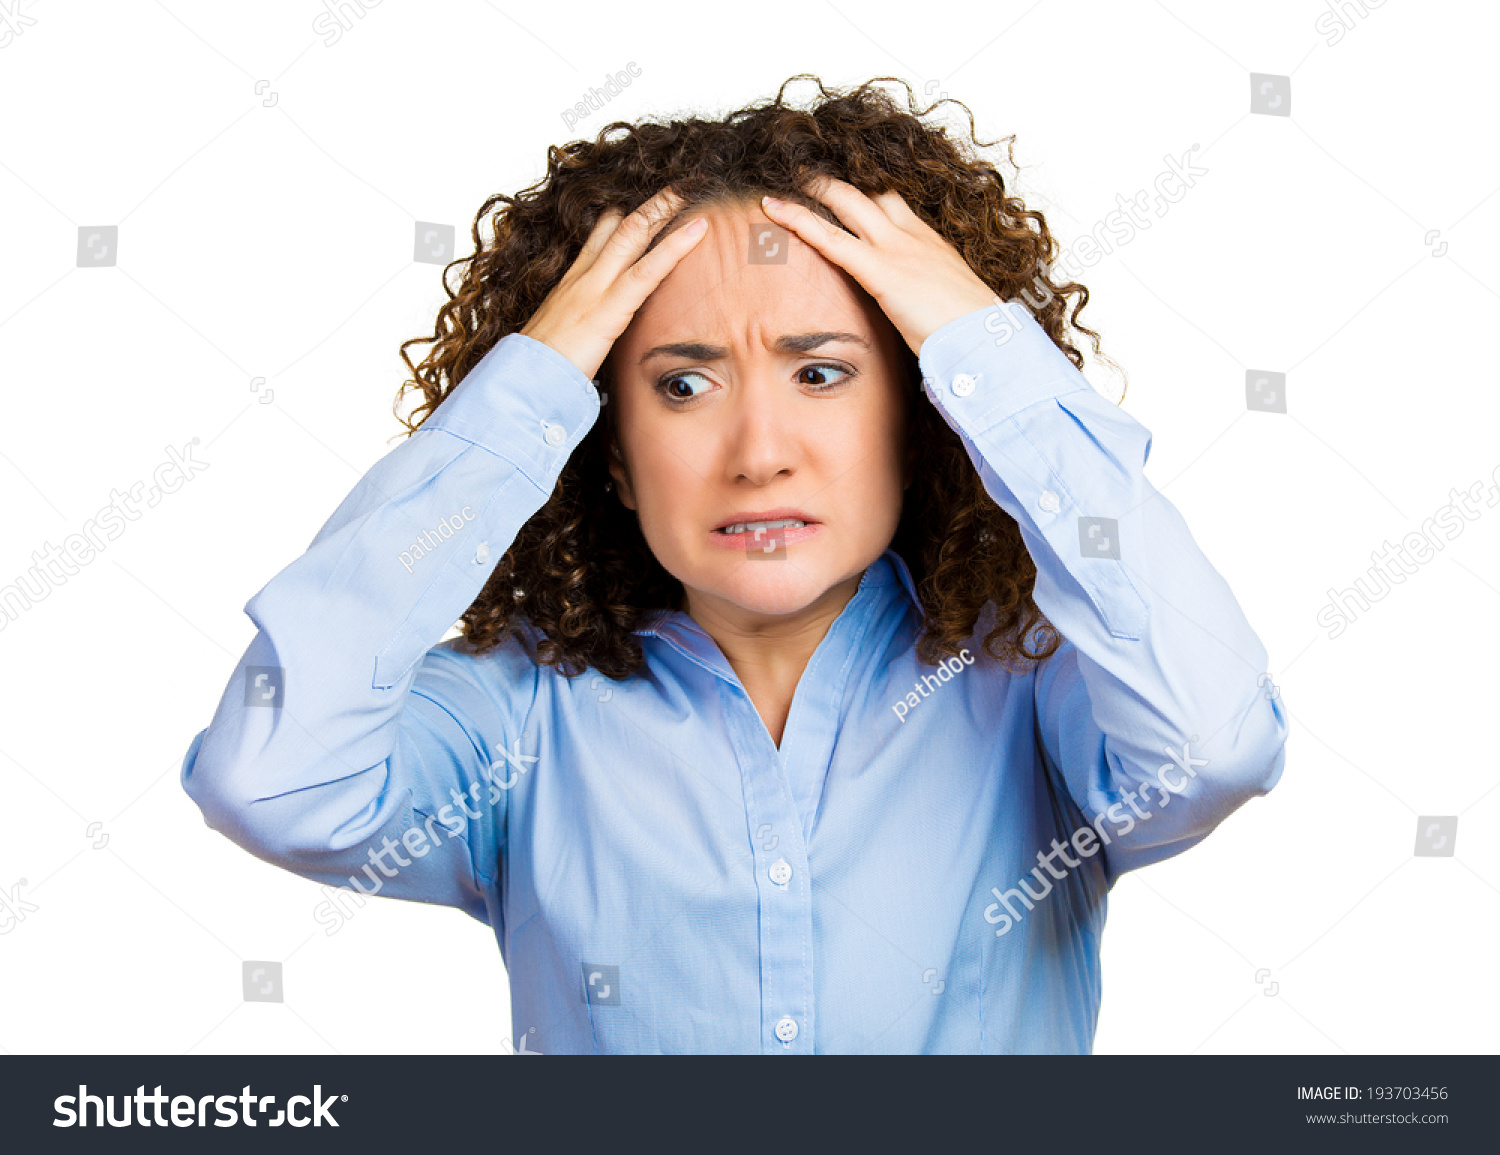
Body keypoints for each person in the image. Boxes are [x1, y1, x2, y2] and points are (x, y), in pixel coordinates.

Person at [179, 76, 1287, 1053]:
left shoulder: (1036, 689)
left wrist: (988, 355)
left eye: (821, 374)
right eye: (683, 385)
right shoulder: (515, 721)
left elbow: (1212, 743)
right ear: (608, 450)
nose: (760, 455)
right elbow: (271, 783)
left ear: (919, 414)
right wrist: (524, 396)